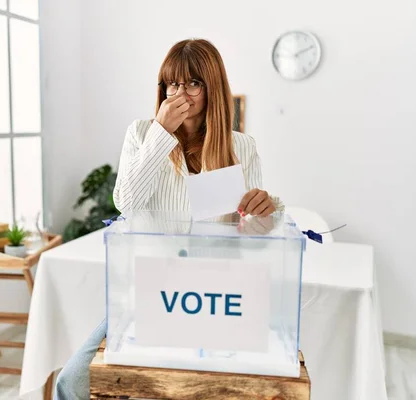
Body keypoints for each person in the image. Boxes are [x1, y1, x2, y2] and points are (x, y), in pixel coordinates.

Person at [54, 38, 283, 400]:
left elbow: (250, 232)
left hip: (215, 298)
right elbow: (127, 203)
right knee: (72, 382)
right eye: (172, 84)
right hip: (149, 295)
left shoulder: (242, 147)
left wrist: (263, 212)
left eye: (193, 83)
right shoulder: (142, 134)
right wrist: (161, 134)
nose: (181, 93)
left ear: (213, 89)